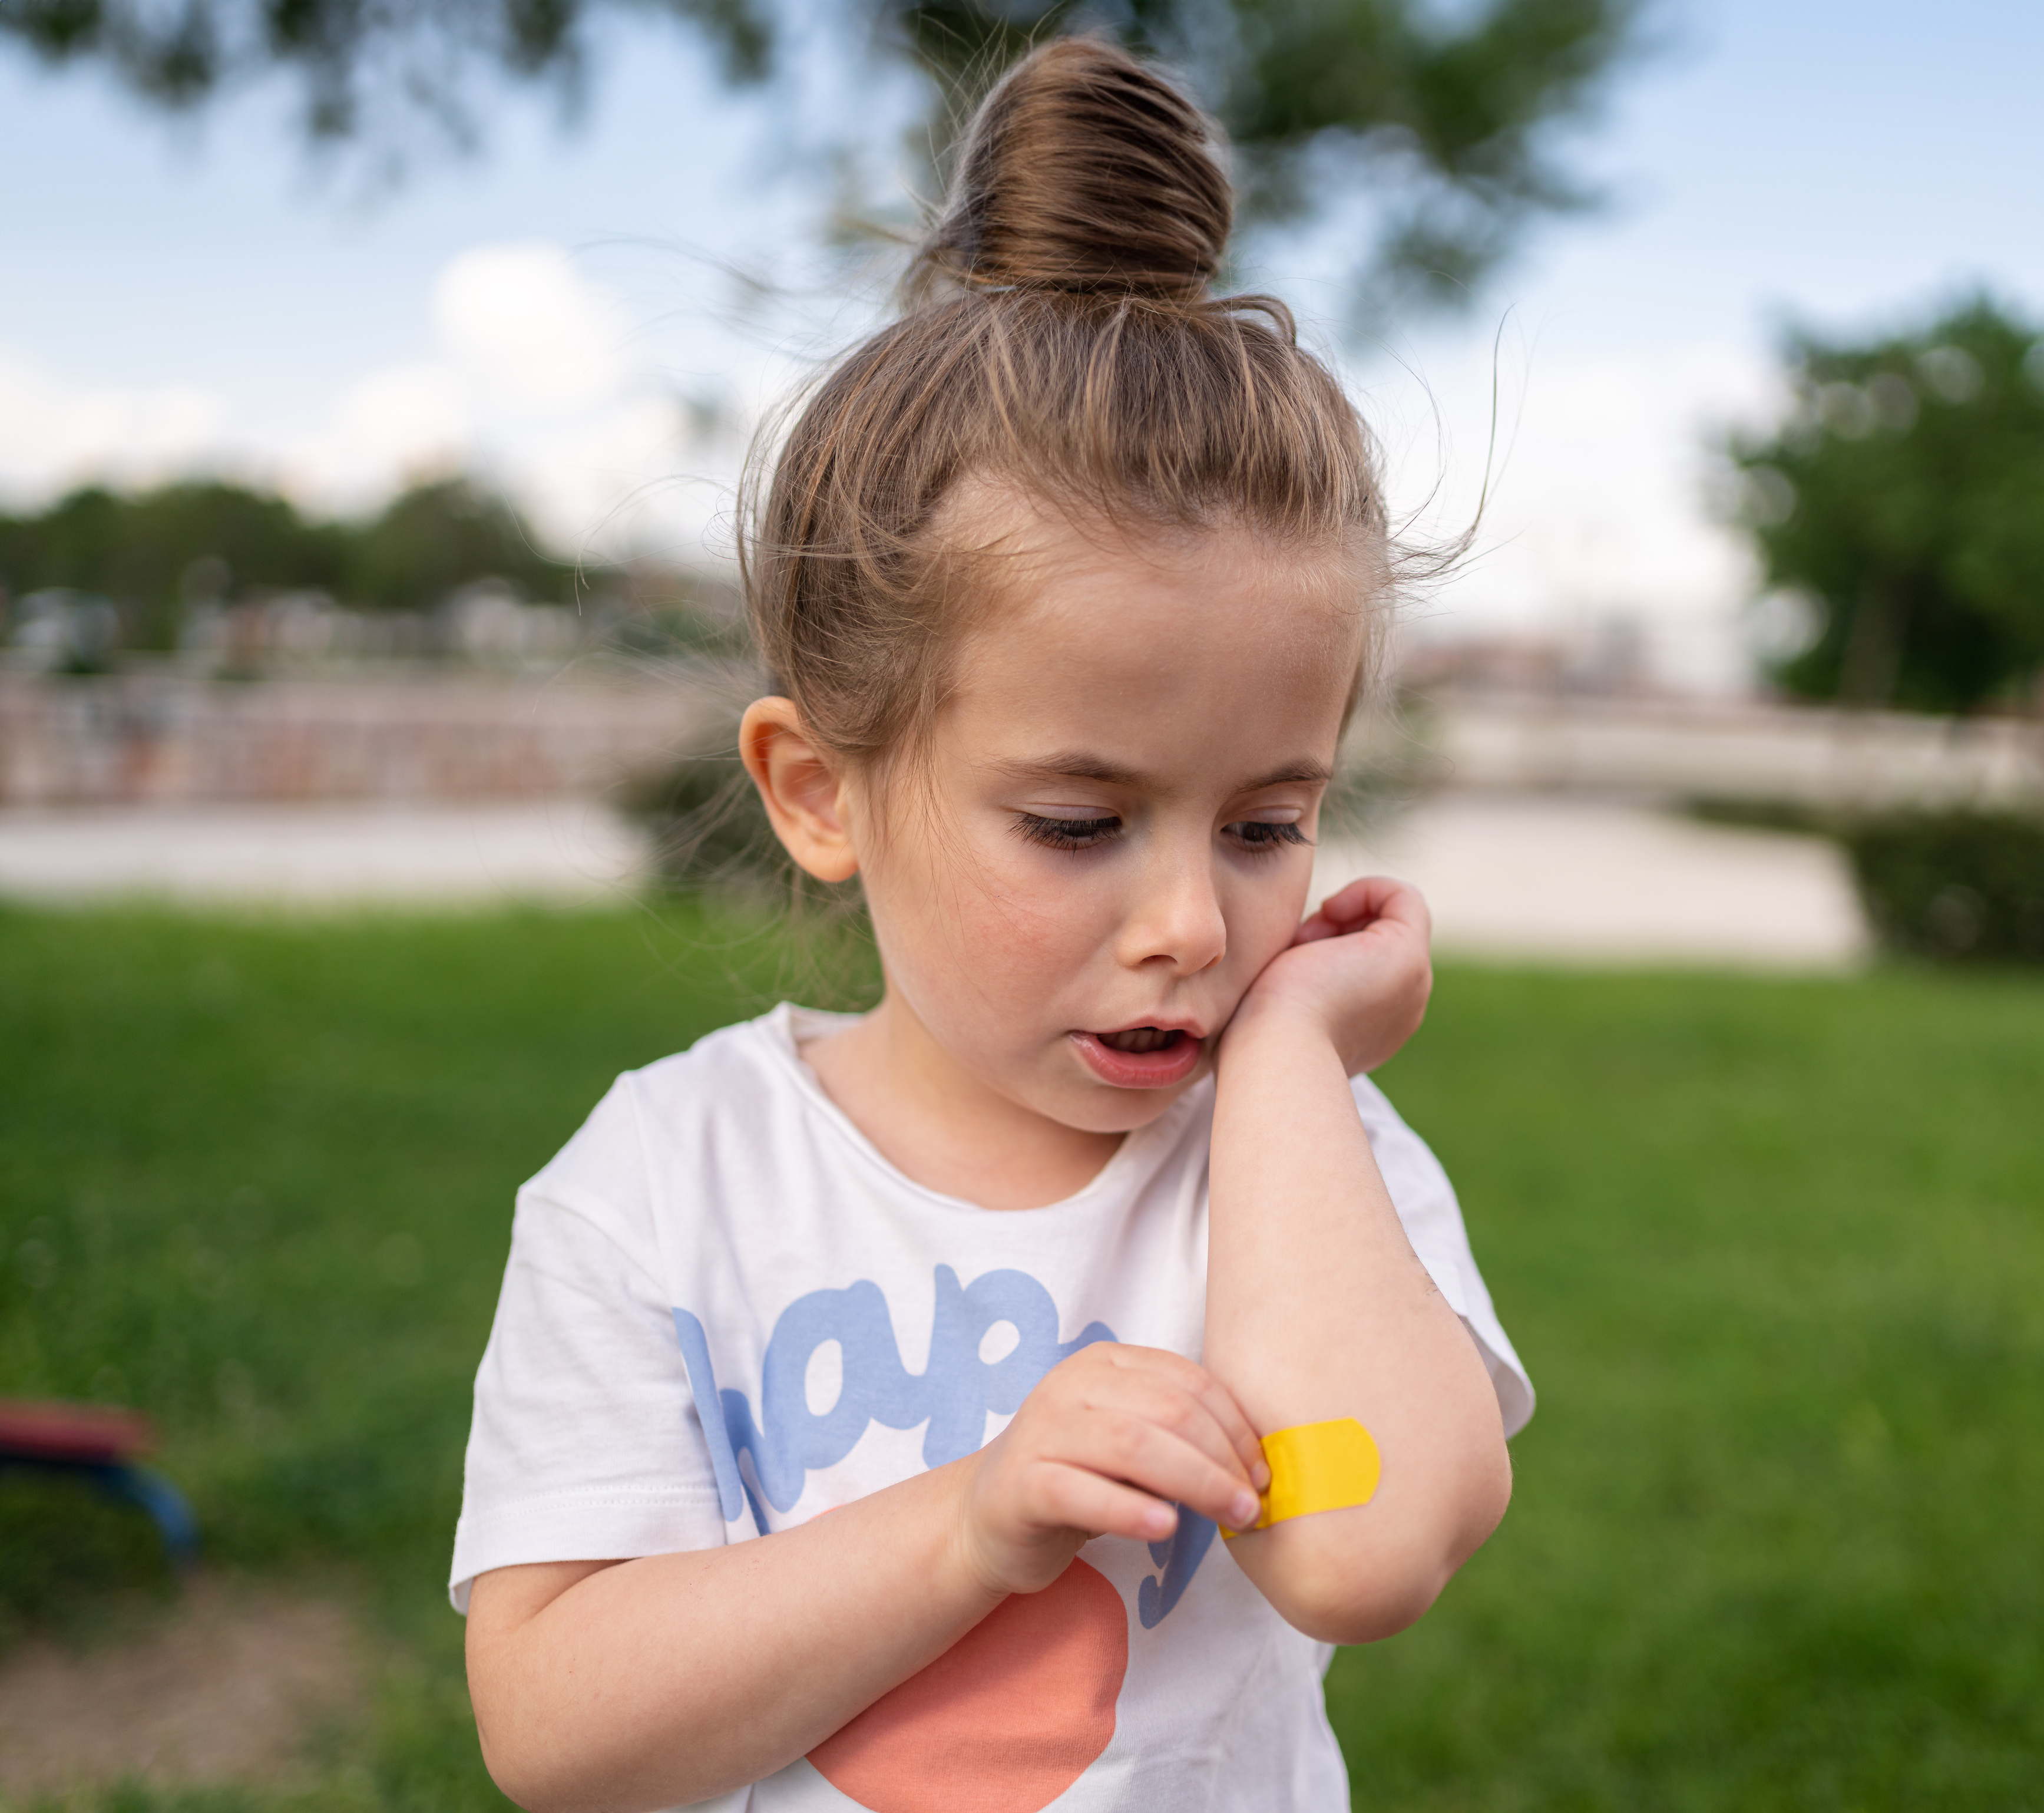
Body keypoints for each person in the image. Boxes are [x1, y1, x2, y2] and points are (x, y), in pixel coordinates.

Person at [451, 36, 1533, 1813]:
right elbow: (556, 1730)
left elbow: (1362, 1549)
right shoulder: (665, 1181)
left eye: (1269, 822)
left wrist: (1284, 1068)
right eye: (1079, 822)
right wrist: (968, 1524)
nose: (1192, 919)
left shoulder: (1300, 1170)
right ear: (821, 792)